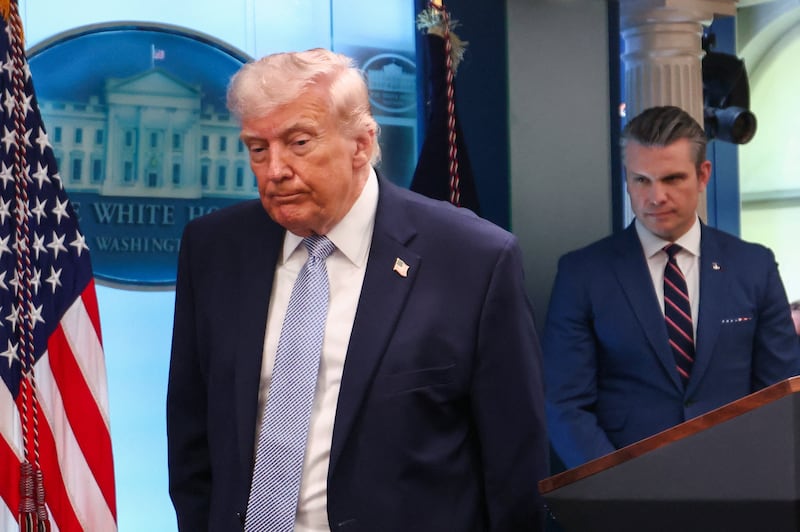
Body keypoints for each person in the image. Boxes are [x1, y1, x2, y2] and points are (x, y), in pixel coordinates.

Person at [166, 48, 548, 531]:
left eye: (298, 142)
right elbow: (191, 441)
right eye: (257, 149)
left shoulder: (472, 259)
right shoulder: (215, 250)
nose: (275, 169)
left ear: (362, 144)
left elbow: (514, 467)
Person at [543, 105, 800, 470]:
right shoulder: (582, 273)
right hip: (626, 494)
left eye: (672, 179)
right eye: (641, 180)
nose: (655, 196)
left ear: (703, 174)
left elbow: (781, 394)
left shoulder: (754, 266)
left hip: (740, 488)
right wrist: (618, 488)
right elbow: (565, 403)